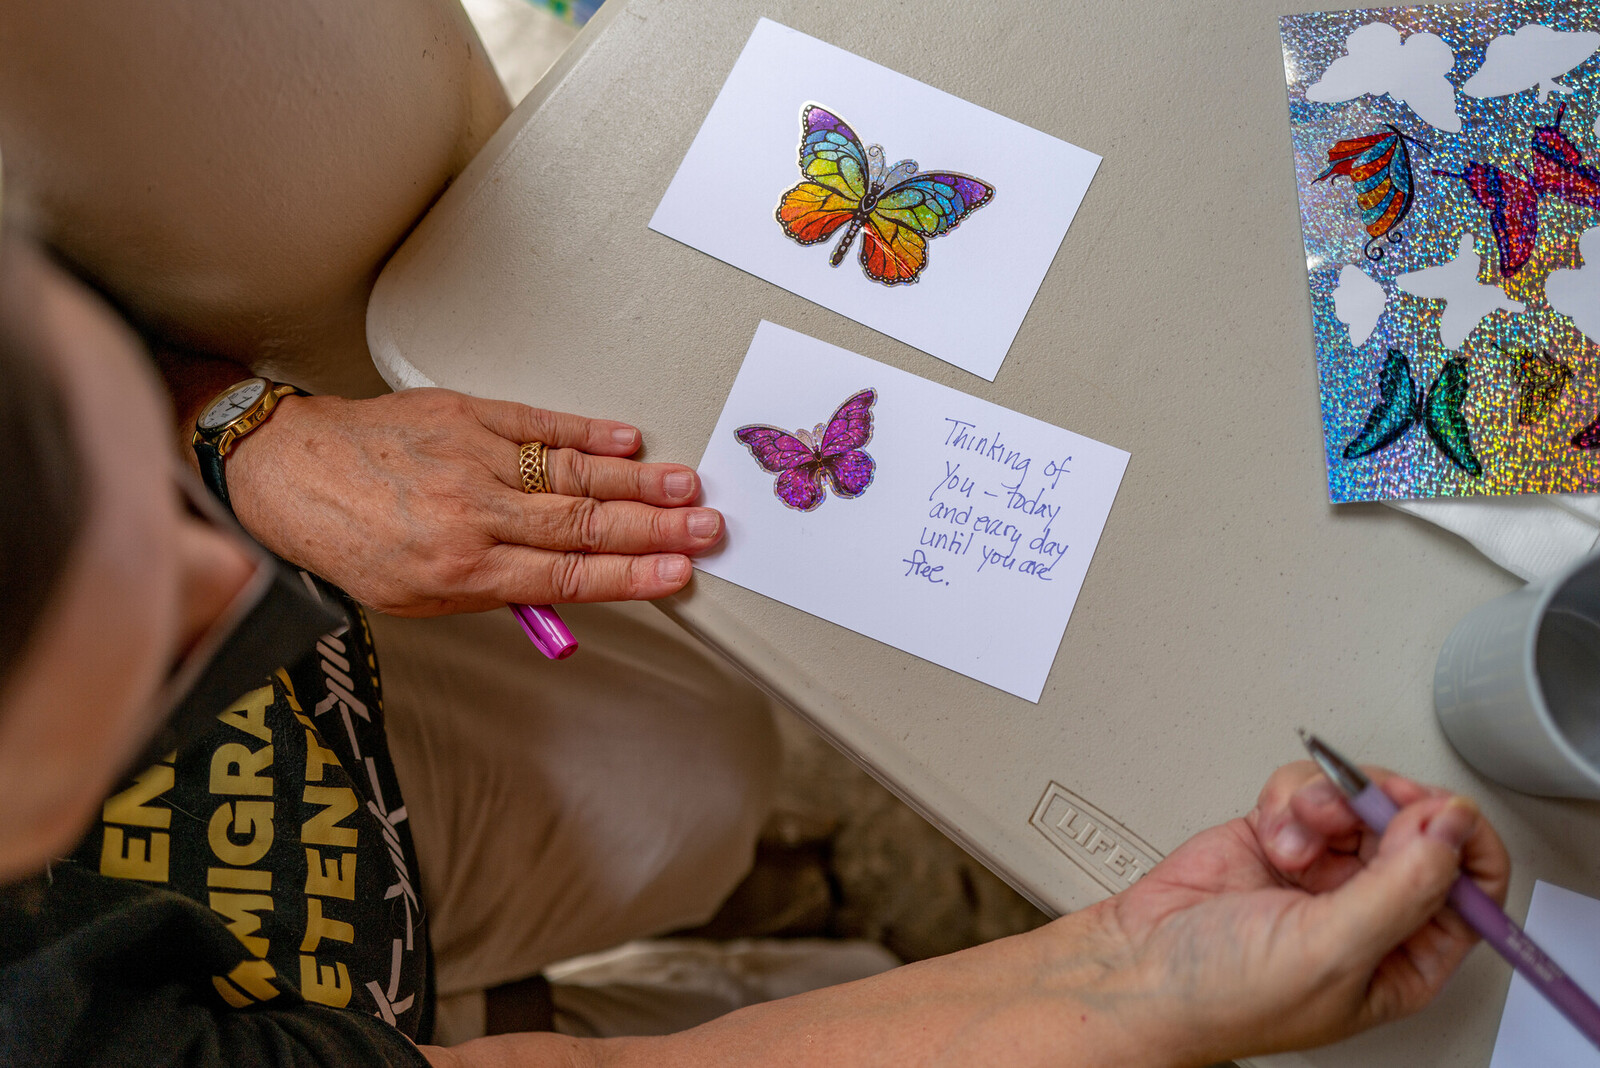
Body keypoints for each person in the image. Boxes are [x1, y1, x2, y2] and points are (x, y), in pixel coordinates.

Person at [0, 219, 1513, 1067]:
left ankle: (631, 958)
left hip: (363, 875)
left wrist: (233, 427)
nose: (229, 578)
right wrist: (1135, 988)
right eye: (126, 621)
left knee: (698, 778)